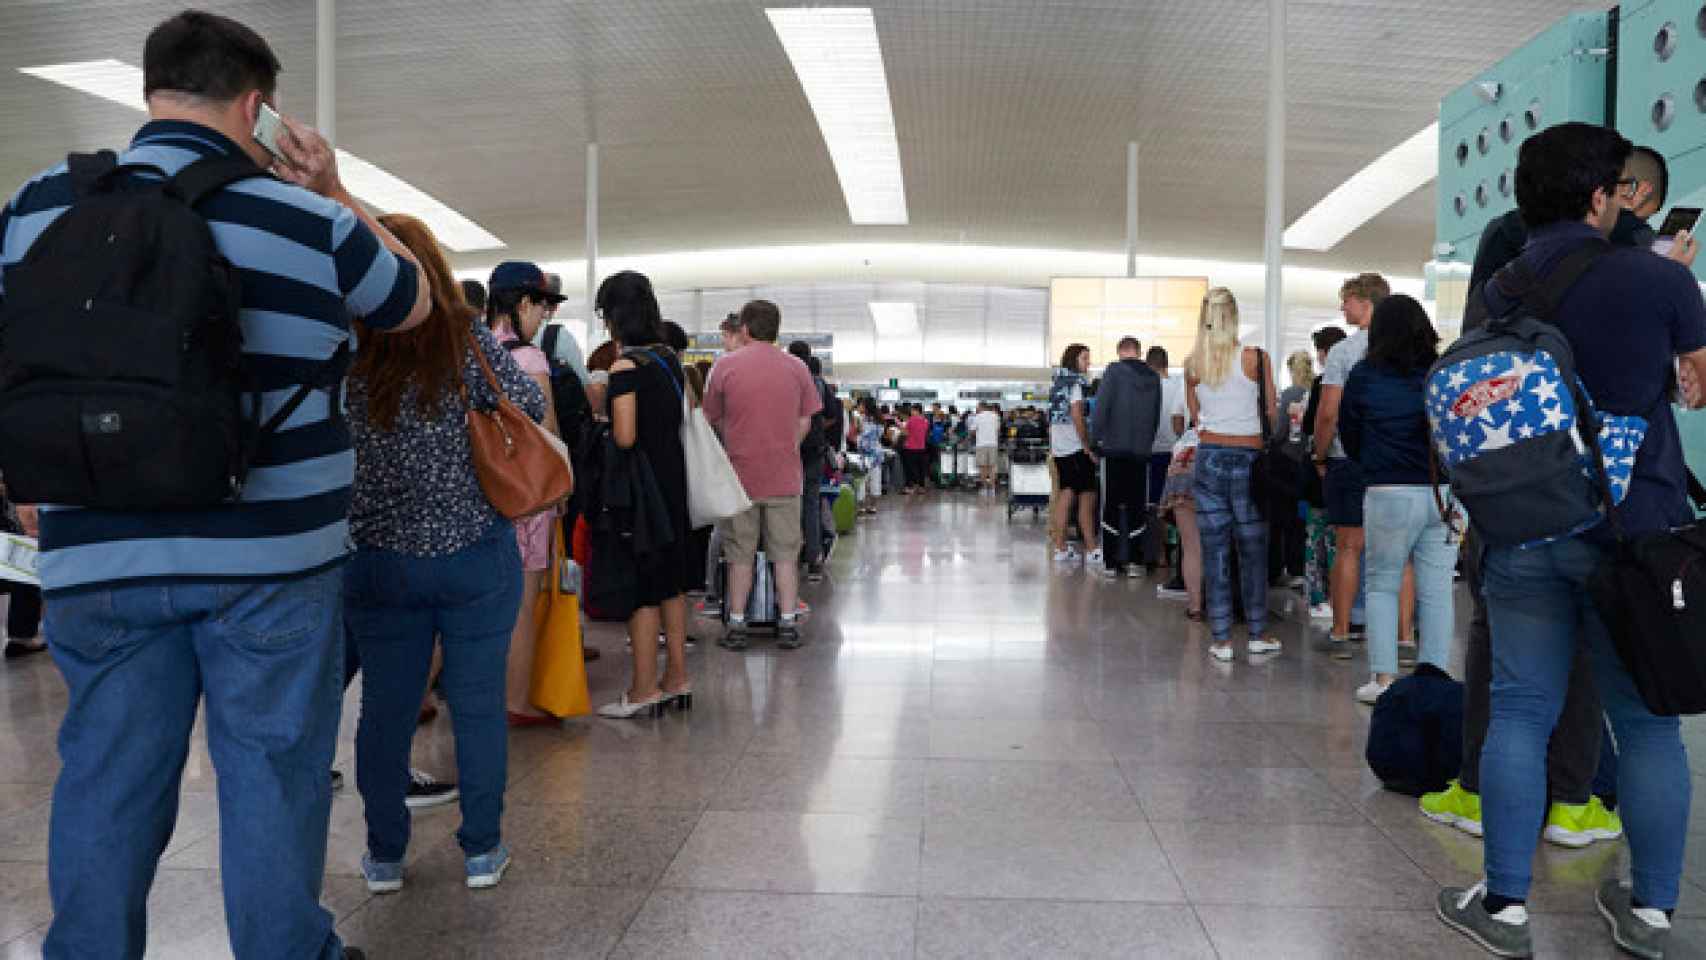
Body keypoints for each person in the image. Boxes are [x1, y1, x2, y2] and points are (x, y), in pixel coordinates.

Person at [0, 11, 431, 958]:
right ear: (257, 106)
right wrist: (334, 184)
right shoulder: (309, 219)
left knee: (105, 779)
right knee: (272, 774)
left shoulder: (37, 206)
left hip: (96, 553)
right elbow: (412, 301)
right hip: (273, 558)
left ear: (152, 93)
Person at [1436, 121, 1706, 960]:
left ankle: (1506, 907)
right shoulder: (1656, 281)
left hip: (1523, 526)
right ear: (1604, 197)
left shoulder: (1503, 286)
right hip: (1636, 535)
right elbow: (1696, 391)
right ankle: (1652, 913)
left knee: (1520, 711)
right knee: (1650, 725)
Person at [344, 213, 537, 895]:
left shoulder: (347, 342)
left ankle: (384, 857)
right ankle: (482, 852)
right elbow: (529, 404)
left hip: (377, 559)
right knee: (478, 705)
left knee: (386, 709)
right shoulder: (464, 336)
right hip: (474, 553)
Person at [1338, 294, 1453, 705]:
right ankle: (1436, 678)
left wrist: (1369, 461)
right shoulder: (1441, 373)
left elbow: (1348, 433)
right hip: (1444, 493)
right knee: (1437, 590)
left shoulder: (1365, 375)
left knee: (1383, 585)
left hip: (1388, 491)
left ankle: (1384, 680)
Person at [596, 272, 694, 718]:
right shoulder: (669, 360)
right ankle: (677, 678)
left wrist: (601, 416)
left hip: (642, 495)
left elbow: (625, 435)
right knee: (671, 585)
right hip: (674, 488)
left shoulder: (625, 368)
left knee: (641, 592)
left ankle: (642, 690)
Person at [702, 299, 822, 650]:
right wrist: (787, 445)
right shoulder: (797, 368)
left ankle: (737, 623)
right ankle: (787, 622)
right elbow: (806, 419)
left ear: (745, 330)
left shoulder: (725, 366)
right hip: (785, 476)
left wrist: (735, 436)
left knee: (739, 552)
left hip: (739, 477)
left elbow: (711, 417)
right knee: (785, 553)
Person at [484, 261, 564, 726]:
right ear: (523, 303)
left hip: (483, 493)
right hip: (526, 497)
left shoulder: (476, 348)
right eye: (542, 307)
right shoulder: (530, 360)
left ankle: (419, 696)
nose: (544, 318)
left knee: (472, 603)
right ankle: (515, 701)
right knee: (520, 604)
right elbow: (547, 430)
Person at [1185, 288, 1280, 662]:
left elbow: (1196, 419)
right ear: (1235, 316)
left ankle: (1221, 638)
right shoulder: (1256, 358)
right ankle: (1257, 633)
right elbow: (1271, 410)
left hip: (1208, 457)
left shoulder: (1194, 364)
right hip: (1249, 457)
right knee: (1253, 550)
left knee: (1215, 550)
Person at [1313, 272, 1391, 654]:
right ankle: (1401, 633)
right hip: (1395, 462)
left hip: (1350, 457)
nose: (1342, 308)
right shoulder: (1407, 348)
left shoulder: (1344, 352)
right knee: (1395, 551)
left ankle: (1343, 629)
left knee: (1348, 546)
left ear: (1365, 302)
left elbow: (1329, 412)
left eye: (1346, 300)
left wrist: (1320, 453)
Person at [1090, 336, 1162, 577]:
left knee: (1112, 504)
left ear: (1121, 351)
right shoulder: (1153, 377)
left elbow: (1101, 409)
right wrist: (1146, 444)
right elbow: (1155, 416)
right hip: (1141, 452)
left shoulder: (1114, 371)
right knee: (1136, 505)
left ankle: (1111, 562)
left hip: (1115, 449)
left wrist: (1094, 440)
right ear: (1138, 352)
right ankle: (1134, 561)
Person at [1301, 327, 1348, 621]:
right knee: (1341, 539)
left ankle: (1318, 597)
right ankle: (1341, 596)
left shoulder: (1323, 384)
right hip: (1348, 469)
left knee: (1315, 536)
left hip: (1323, 468)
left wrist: (1318, 457)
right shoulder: (1358, 379)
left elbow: (1312, 425)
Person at [1049, 344, 1102, 566]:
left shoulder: (1057, 383)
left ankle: (1060, 548)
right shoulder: (1076, 385)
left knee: (1065, 493)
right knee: (1087, 497)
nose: (1088, 363)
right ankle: (1091, 549)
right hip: (1075, 447)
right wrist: (1087, 446)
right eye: (1084, 359)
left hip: (1060, 447)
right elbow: (1078, 416)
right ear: (1073, 360)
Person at [1269, 349, 1314, 587]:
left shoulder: (1289, 395)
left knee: (1282, 517)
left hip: (1285, 462)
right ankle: (1300, 566)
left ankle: (1279, 566)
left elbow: (1279, 432)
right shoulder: (1316, 392)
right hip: (1307, 462)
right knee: (1302, 518)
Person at [788, 341, 832, 582]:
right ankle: (814, 557)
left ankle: (789, 557)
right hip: (814, 450)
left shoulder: (787, 377)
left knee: (788, 504)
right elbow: (830, 414)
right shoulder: (818, 383)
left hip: (791, 449)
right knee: (811, 504)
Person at [973, 403, 1002, 490]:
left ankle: (984, 487)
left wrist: (978, 434)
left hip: (981, 444)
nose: (977, 408)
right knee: (992, 466)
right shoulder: (996, 416)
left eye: (978, 407)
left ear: (982, 407)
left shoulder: (977, 417)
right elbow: (998, 430)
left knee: (983, 466)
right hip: (993, 443)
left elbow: (973, 431)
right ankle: (992, 487)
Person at [903, 403, 930, 495]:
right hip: (921, 447)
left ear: (916, 411)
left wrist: (901, 428)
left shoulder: (910, 420)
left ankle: (911, 487)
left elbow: (906, 433)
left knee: (911, 468)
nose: (911, 412)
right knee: (921, 468)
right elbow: (925, 433)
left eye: (912, 410)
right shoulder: (925, 421)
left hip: (910, 448)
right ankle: (921, 487)